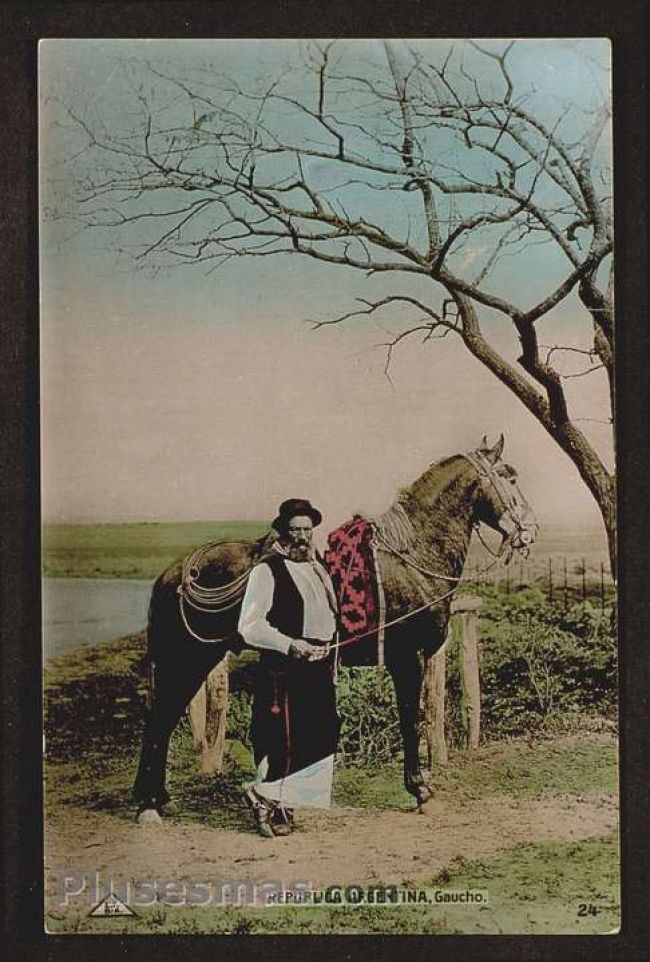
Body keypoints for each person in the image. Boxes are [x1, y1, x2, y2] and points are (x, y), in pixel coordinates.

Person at [238, 498, 340, 837]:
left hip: (318, 666)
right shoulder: (266, 571)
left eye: (307, 530)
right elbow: (250, 626)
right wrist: (290, 644)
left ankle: (283, 805)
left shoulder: (317, 568)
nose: (302, 537)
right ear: (282, 533)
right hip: (284, 668)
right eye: (295, 530)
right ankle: (262, 797)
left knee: (318, 735)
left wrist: (326, 645)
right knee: (282, 739)